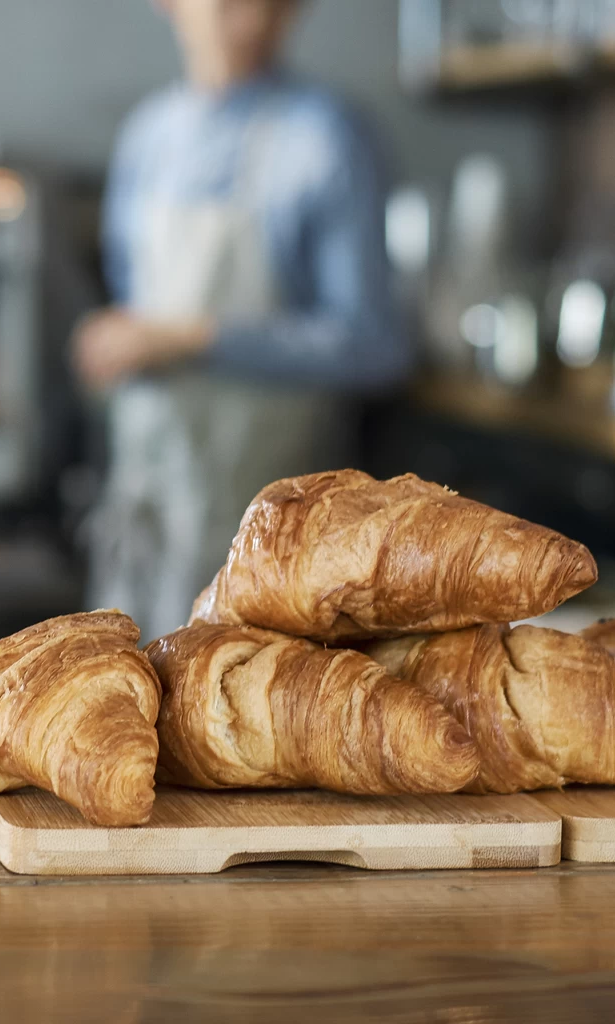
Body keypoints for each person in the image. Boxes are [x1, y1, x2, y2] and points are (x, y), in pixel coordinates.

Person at [76, 0, 411, 639]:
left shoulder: (326, 137)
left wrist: (193, 336)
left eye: (276, 6)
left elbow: (374, 345)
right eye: (232, 5)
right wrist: (110, 342)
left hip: (269, 546)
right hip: (148, 515)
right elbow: (131, 309)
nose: (255, 24)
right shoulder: (148, 137)